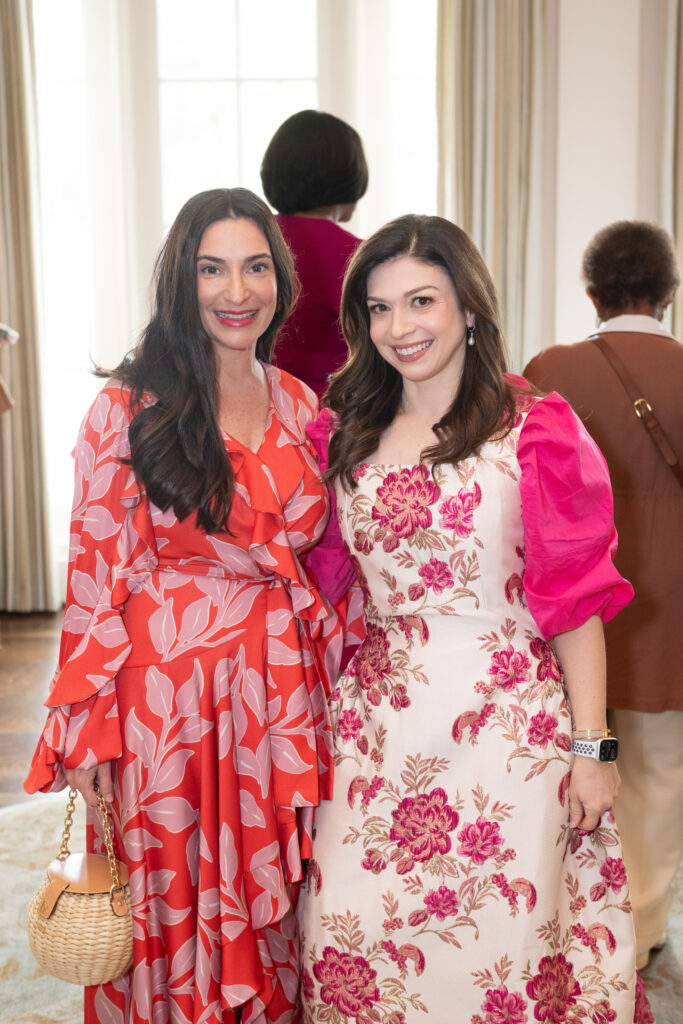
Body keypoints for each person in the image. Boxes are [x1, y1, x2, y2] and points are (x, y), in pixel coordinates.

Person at [24, 187, 360, 1024]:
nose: (236, 291)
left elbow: (328, 560)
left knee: (275, 902)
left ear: (281, 281)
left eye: (255, 268)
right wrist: (86, 725)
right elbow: (94, 575)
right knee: (165, 896)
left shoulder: (300, 403)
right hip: (163, 706)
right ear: (182, 280)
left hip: (277, 694)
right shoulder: (126, 406)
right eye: (212, 270)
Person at [296, 215, 642, 1022]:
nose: (398, 327)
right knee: (351, 937)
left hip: (508, 730)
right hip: (377, 729)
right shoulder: (342, 431)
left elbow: (574, 603)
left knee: (505, 950)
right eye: (378, 308)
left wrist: (591, 749)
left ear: (468, 307)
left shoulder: (535, 428)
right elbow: (328, 590)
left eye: (420, 300)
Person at [524, 220, 683, 972]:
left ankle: (574, 920)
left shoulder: (549, 370)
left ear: (591, 293)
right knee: (659, 772)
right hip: (671, 606)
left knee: (571, 762)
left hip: (569, 602)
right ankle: (641, 927)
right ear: (668, 293)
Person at [260, 109, 368, 396]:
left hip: (257, 400)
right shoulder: (357, 256)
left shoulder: (253, 239)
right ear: (348, 177)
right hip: (331, 408)